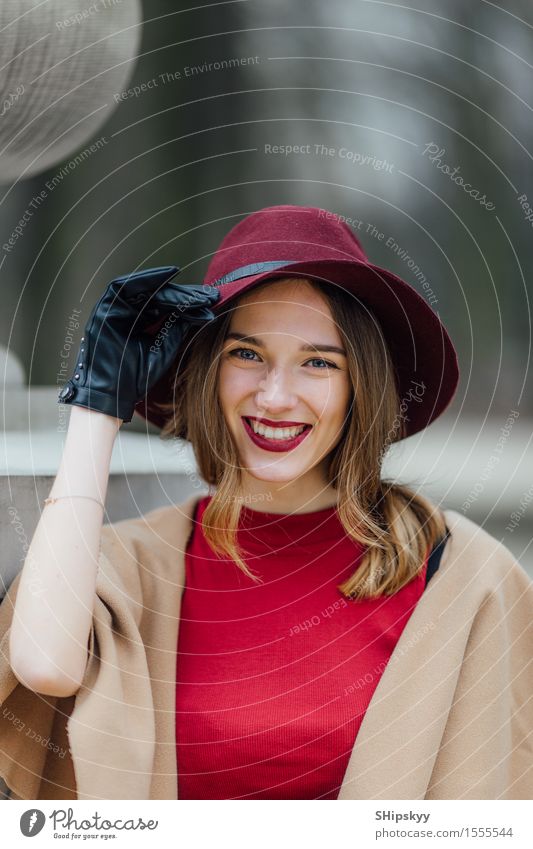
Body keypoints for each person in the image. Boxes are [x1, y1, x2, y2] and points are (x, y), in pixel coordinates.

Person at [0, 204, 531, 801]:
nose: (275, 396)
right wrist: (97, 406)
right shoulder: (130, 565)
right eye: (246, 354)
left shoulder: (468, 579)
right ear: (207, 371)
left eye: (318, 362)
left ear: (364, 385)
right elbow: (45, 665)